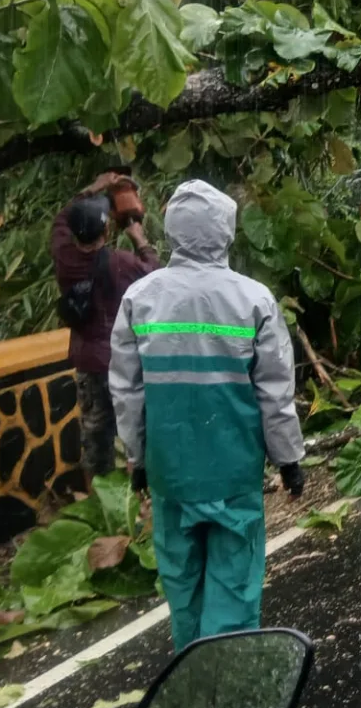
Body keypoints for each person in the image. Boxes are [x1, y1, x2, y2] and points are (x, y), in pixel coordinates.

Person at [110, 180, 305, 649]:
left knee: (183, 589)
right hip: (233, 473)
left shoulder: (140, 299)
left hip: (171, 473)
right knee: (233, 587)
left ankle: (190, 678)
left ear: (172, 230)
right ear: (226, 230)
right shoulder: (254, 300)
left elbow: (127, 393)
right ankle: (226, 679)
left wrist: (138, 459)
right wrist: (288, 460)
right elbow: (275, 393)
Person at [51, 172, 160, 486]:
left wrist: (92, 188)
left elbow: (60, 220)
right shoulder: (120, 263)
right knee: (135, 431)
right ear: (108, 229)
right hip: (122, 361)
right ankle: (141, 495)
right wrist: (139, 239)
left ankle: (98, 499)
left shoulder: (64, 258)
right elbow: (156, 274)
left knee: (95, 437)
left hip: (88, 360)